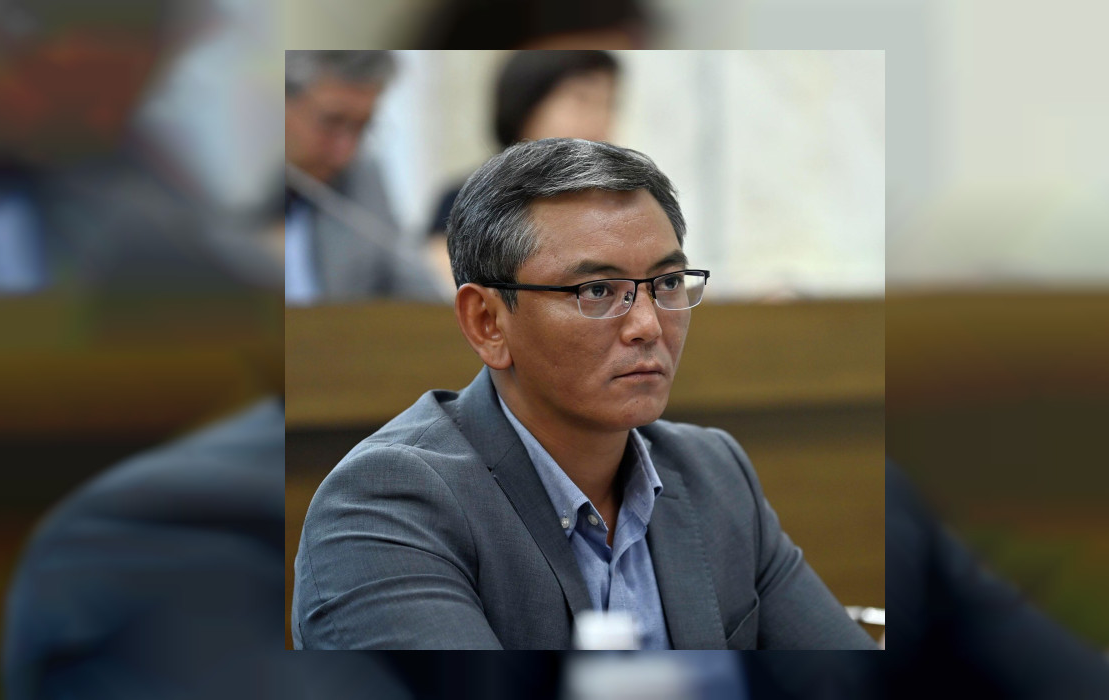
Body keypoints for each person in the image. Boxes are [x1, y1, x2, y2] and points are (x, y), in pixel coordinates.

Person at [293, 137, 877, 650]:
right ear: (487, 322)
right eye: (597, 290)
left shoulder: (713, 474)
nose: (648, 324)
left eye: (668, 282)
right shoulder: (385, 504)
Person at [426, 49, 622, 293]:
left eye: (609, 103)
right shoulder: (463, 199)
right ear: (528, 102)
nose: (599, 118)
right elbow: (448, 292)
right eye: (581, 99)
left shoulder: (618, 203)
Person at [285, 50, 441, 304]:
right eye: (332, 122)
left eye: (362, 127)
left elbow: (414, 287)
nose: (345, 152)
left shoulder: (361, 176)